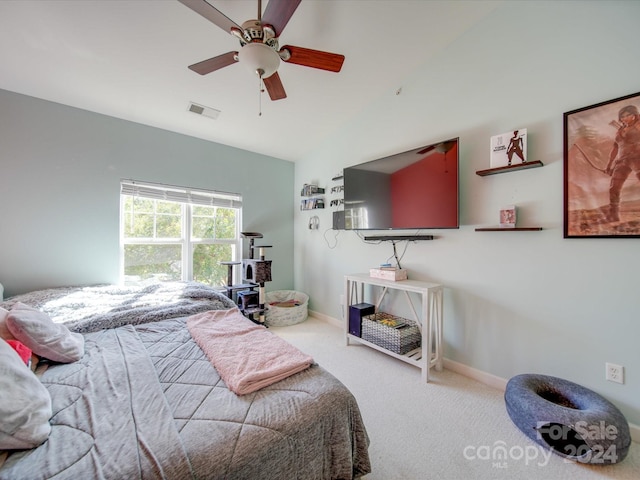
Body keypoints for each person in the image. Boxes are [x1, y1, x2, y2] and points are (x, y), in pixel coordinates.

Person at [604, 105, 640, 222]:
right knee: (614, 188)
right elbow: (615, 147)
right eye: (622, 116)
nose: (624, 118)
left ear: (634, 115)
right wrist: (609, 165)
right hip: (622, 161)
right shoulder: (620, 130)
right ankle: (613, 215)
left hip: (637, 158)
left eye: (627, 115)